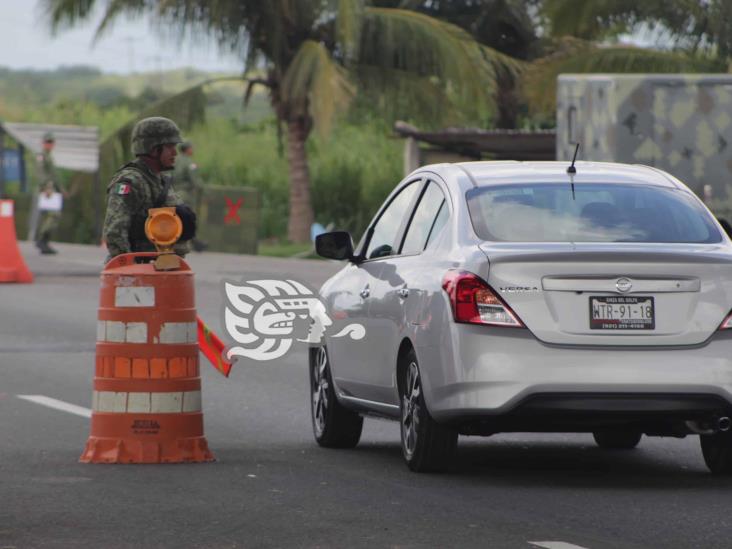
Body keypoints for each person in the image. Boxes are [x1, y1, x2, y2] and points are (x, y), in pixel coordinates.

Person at [102, 117, 196, 260]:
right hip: (140, 268)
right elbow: (115, 231)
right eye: (170, 147)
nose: (175, 153)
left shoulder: (160, 180)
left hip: (164, 266)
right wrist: (128, 267)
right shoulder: (131, 181)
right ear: (153, 149)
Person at [173, 141, 208, 251]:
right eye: (191, 148)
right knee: (189, 219)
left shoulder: (174, 160)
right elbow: (195, 181)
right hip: (185, 194)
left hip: (172, 192)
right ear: (187, 149)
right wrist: (204, 191)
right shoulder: (189, 163)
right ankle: (191, 242)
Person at [35, 132, 65, 254]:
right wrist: (46, 186)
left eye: (51, 142)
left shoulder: (48, 156)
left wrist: (61, 188)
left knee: (51, 216)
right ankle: (42, 240)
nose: (49, 144)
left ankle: (44, 242)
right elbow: (41, 172)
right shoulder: (42, 156)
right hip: (48, 189)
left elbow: (53, 174)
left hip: (52, 189)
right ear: (43, 143)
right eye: (47, 142)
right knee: (53, 215)